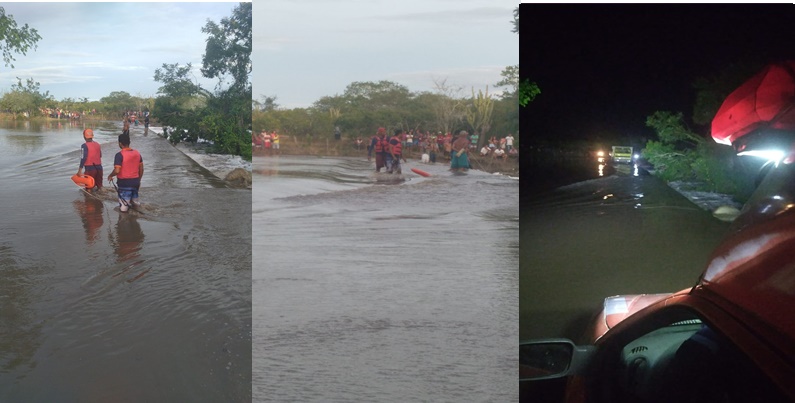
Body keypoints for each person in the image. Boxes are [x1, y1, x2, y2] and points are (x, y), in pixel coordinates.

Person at [108, 133, 144, 213]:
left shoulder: (119, 155)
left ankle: (125, 222)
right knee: (135, 204)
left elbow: (117, 170)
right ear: (129, 142)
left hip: (124, 184)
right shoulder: (137, 153)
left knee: (123, 209)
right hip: (136, 182)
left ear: (120, 143)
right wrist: (138, 180)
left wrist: (110, 175)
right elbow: (141, 169)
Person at [77, 128, 103, 192]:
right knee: (100, 187)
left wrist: (79, 170)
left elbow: (83, 157)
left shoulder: (84, 146)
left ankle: (89, 201)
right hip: (99, 168)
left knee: (89, 187)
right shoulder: (97, 144)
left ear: (84, 136)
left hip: (90, 169)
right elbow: (100, 155)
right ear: (92, 136)